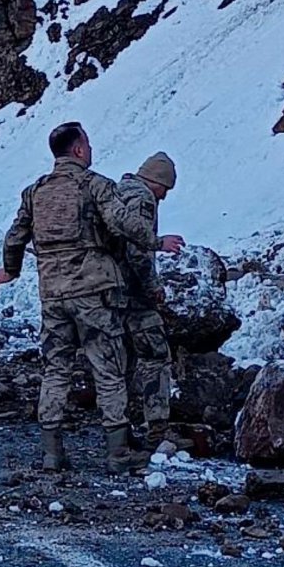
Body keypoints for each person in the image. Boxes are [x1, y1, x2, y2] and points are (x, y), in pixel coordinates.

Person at [0, 122, 176, 474]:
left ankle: (52, 452)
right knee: (108, 370)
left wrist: (11, 270)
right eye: (88, 144)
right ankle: (118, 454)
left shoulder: (35, 191)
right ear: (78, 150)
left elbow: (15, 236)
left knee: (56, 369)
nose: (90, 150)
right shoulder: (95, 185)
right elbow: (122, 223)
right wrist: (156, 241)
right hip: (94, 292)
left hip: (52, 294)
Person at [117, 152, 185, 450]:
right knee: (156, 354)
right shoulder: (143, 200)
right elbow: (137, 251)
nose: (164, 198)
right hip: (133, 293)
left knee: (123, 358)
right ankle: (157, 429)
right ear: (156, 181)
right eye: (165, 189)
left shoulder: (117, 193)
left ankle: (121, 424)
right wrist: (152, 286)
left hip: (108, 291)